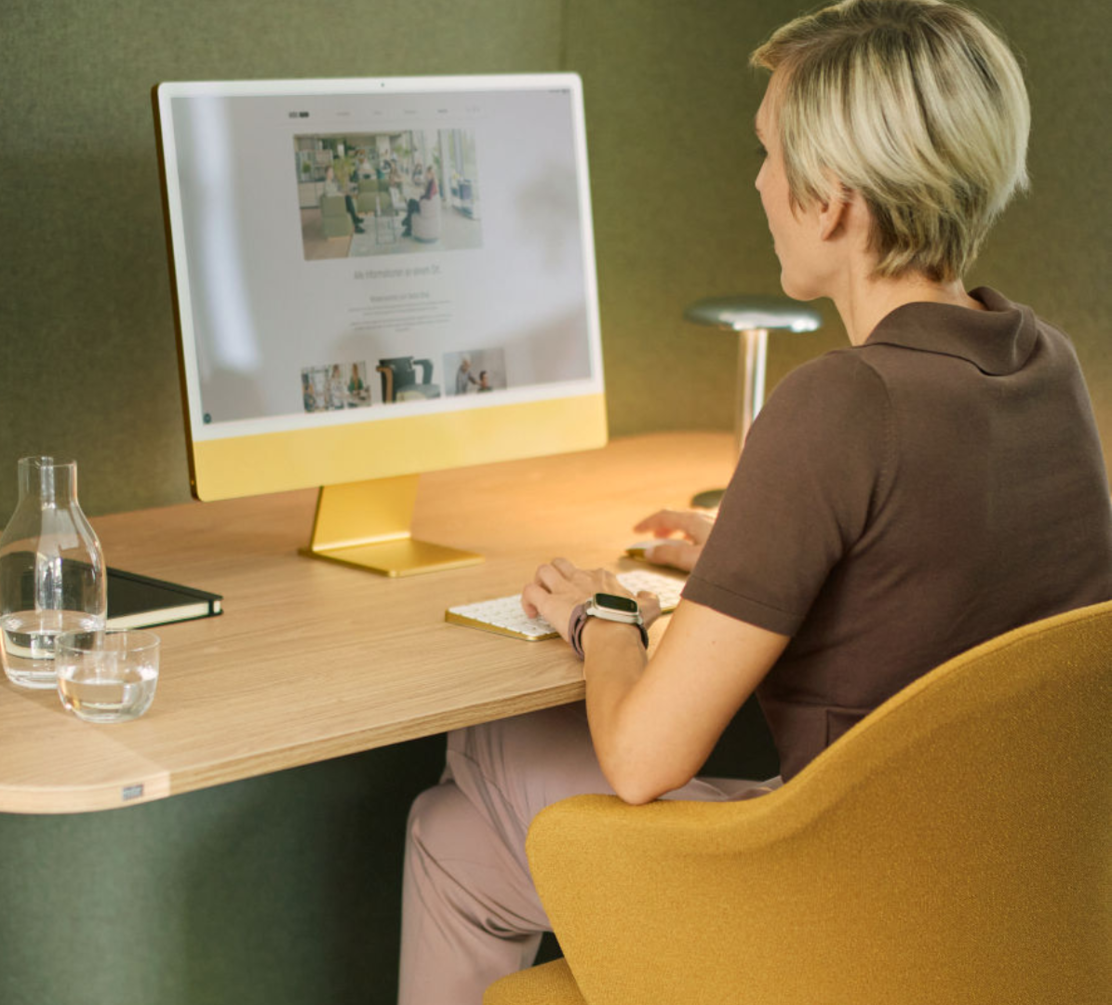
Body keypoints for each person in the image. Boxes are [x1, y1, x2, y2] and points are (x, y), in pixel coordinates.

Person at [397, 3, 1112, 1003]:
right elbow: (944, 565)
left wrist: (602, 618)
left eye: (770, 153)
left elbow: (643, 759)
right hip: (985, 912)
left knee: (491, 747)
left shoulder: (840, 402)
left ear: (830, 201)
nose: (757, 183)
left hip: (831, 914)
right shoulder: (1042, 361)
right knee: (452, 838)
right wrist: (758, 555)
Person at [324, 166, 364, 234]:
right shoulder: (326, 183)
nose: (332, 173)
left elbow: (335, 192)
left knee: (348, 199)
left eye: (332, 171)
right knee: (348, 198)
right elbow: (329, 194)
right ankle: (355, 220)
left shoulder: (331, 182)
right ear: (327, 173)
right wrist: (340, 195)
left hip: (338, 201)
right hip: (335, 204)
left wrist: (342, 194)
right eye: (331, 172)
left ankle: (356, 225)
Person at [402, 166, 437, 239]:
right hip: (425, 206)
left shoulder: (432, 183)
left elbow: (429, 196)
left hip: (425, 208)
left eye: (427, 173)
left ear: (431, 173)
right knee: (411, 202)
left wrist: (421, 197)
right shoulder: (431, 182)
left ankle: (407, 223)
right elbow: (428, 194)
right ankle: (408, 223)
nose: (426, 174)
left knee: (411, 203)